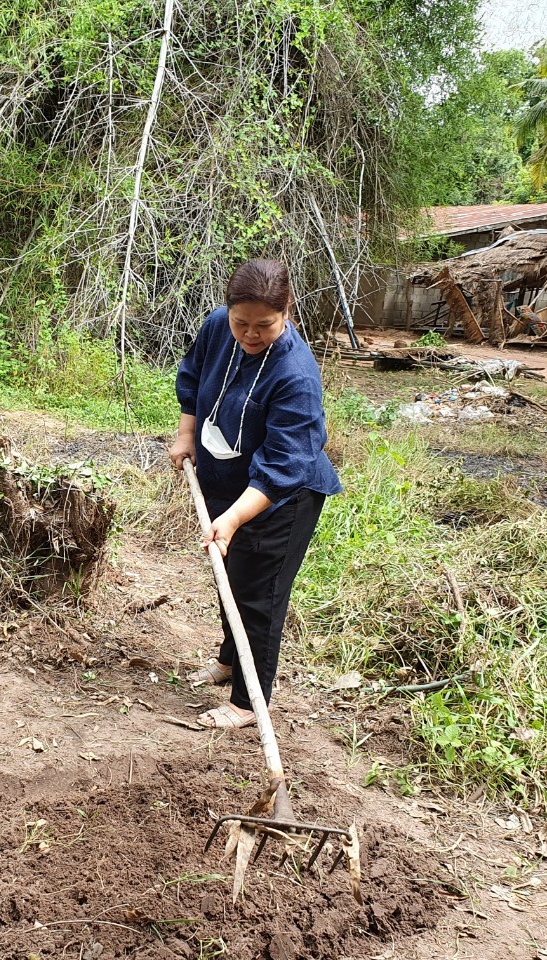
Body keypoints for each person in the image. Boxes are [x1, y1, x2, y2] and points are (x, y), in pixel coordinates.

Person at [169, 259, 341, 729]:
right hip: (226, 479)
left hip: (282, 496)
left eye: (264, 325)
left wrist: (234, 517)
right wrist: (186, 434)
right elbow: (192, 377)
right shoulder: (217, 327)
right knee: (230, 575)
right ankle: (230, 660)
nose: (249, 334)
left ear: (287, 312)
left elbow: (284, 465)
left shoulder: (295, 375)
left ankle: (248, 702)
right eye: (240, 322)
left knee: (259, 596)